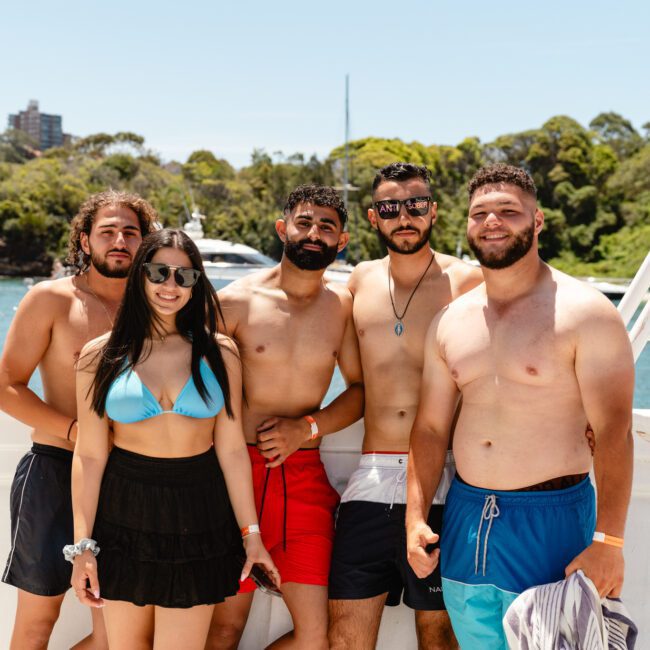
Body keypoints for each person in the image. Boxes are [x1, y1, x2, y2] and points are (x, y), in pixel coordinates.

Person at [406, 164, 634, 649]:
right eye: (480, 213)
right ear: (466, 224)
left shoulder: (585, 312)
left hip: (551, 520)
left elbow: (614, 431)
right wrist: (415, 517)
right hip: (467, 519)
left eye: (508, 211)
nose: (492, 221)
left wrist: (609, 542)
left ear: (538, 220)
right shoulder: (450, 321)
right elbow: (429, 428)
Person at [70, 228, 278, 650]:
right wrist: (82, 547)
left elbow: (232, 449)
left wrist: (251, 533)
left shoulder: (220, 353)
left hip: (199, 510)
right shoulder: (99, 355)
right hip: (124, 510)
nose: (171, 285)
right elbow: (90, 455)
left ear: (196, 284)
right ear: (139, 275)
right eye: (160, 272)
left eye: (184, 276)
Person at [328, 162, 482, 650]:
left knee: (438, 636)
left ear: (433, 212)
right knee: (346, 636)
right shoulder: (358, 282)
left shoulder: (468, 281)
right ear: (374, 219)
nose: (404, 217)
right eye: (390, 208)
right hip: (370, 477)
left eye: (416, 205)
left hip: (445, 478)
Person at [207, 184, 363, 650]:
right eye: (305, 222)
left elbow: (359, 392)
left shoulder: (342, 308)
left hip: (304, 477)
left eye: (327, 227)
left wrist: (307, 428)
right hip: (235, 476)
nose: (314, 233)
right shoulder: (234, 301)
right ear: (283, 228)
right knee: (223, 629)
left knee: (315, 639)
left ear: (343, 241)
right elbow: (195, 388)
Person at [0, 190, 157, 650]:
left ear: (145, 242)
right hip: (54, 469)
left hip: (129, 479)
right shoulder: (51, 299)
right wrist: (75, 430)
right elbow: (8, 385)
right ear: (85, 241)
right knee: (37, 622)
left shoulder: (160, 306)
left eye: (131, 232)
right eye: (107, 231)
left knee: (119, 636)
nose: (120, 240)